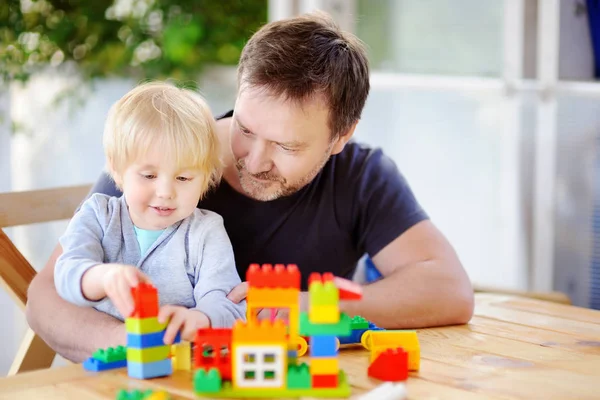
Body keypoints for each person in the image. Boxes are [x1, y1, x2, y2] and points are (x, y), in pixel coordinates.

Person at [27, 11, 474, 363]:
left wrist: (309, 307)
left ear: (341, 136)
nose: (254, 161)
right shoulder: (165, 160)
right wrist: (138, 343)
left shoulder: (362, 177)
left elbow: (449, 290)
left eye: (286, 145)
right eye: (245, 127)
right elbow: (46, 300)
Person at [52, 81, 246, 345]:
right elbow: (67, 272)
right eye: (149, 175)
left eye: (184, 177)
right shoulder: (98, 215)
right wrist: (104, 277)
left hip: (177, 366)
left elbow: (228, 304)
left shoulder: (205, 231)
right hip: (106, 362)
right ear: (118, 171)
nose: (166, 191)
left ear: (205, 180)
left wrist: (201, 319)